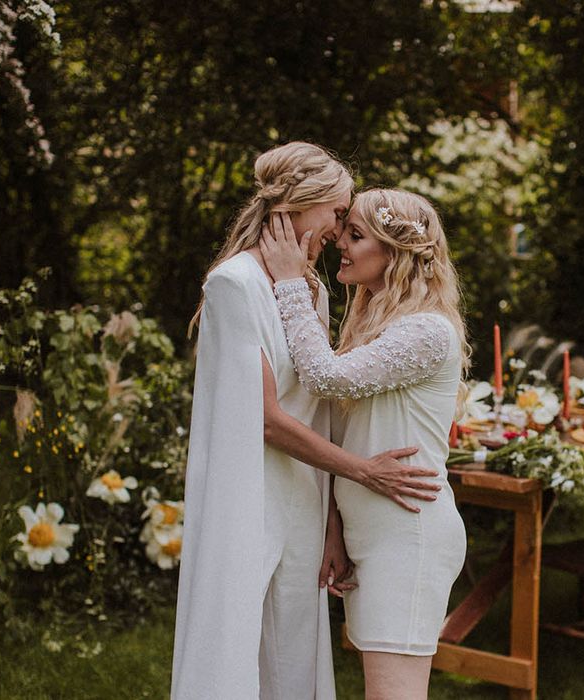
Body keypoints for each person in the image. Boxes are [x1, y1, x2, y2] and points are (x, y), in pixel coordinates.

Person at [171, 144, 441, 700]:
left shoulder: (310, 290)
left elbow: (320, 406)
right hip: (248, 497)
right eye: (337, 214)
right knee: (233, 653)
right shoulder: (236, 283)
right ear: (300, 203)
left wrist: (330, 525)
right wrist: (363, 472)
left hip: (303, 500)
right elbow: (265, 420)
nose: (338, 231)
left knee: (293, 661)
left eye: (347, 221)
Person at [260, 187, 469, 700]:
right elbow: (348, 435)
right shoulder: (379, 326)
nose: (340, 245)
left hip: (409, 537)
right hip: (374, 538)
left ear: (394, 253)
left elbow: (324, 377)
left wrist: (290, 283)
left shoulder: (426, 332)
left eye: (356, 235)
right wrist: (336, 530)